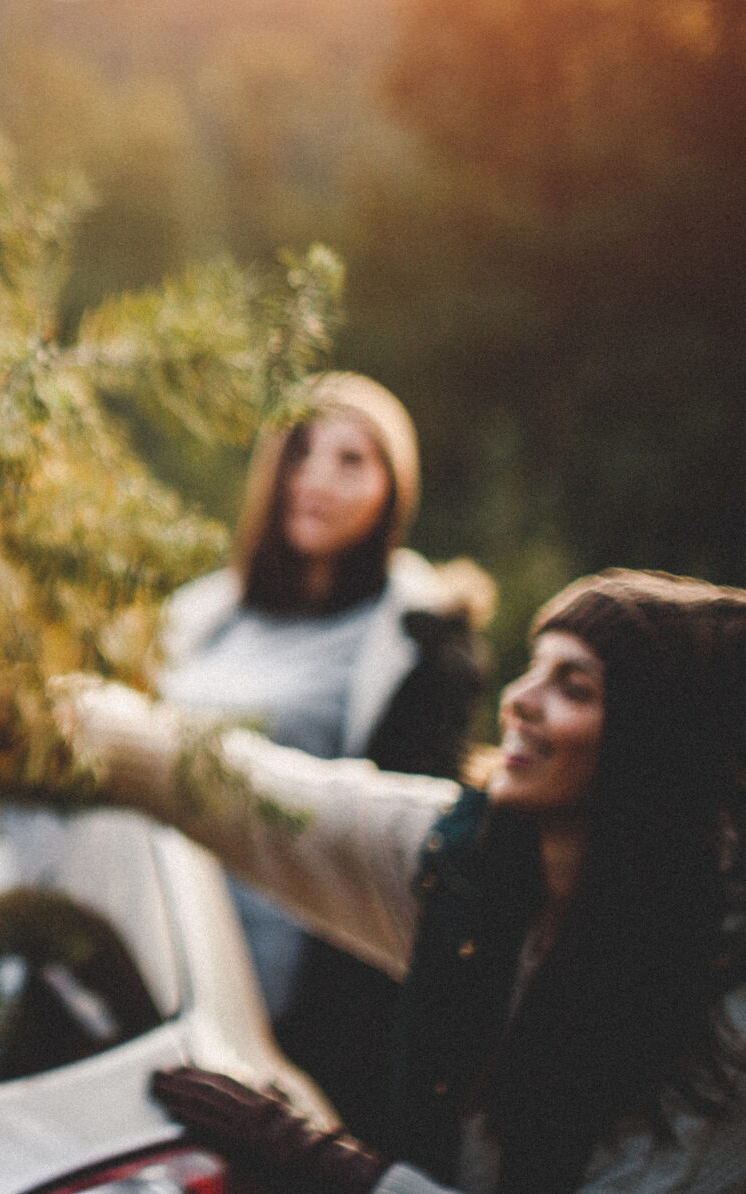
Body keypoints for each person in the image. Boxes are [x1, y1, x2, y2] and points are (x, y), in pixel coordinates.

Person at [62, 569, 746, 1193]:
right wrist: (40, 713)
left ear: (655, 746)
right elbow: (261, 800)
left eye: (573, 688)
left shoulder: (719, 994)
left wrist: (326, 1162)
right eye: (533, 668)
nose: (518, 701)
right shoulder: (471, 866)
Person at [159, 371, 489, 1139]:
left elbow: (407, 842)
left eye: (351, 460)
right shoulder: (204, 613)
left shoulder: (421, 642)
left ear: (392, 486)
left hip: (305, 997)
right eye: (300, 452)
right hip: (170, 950)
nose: (316, 479)